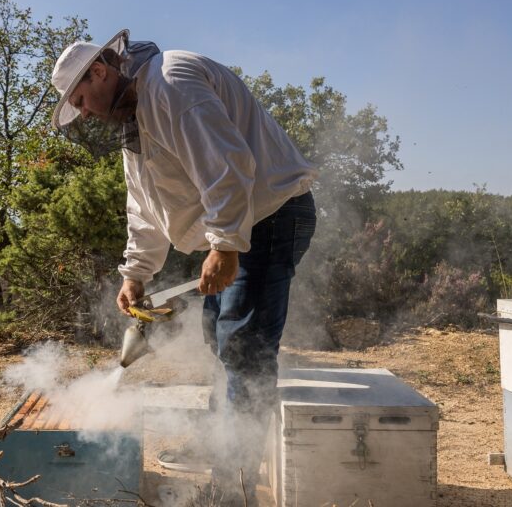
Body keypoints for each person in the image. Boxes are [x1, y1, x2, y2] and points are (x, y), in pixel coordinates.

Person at [50, 30, 316, 505]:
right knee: (220, 340)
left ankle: (233, 491)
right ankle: (224, 448)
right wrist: (136, 273)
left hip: (269, 216)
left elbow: (228, 165)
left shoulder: (169, 83)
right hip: (239, 225)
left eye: (82, 99)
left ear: (99, 71)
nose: (85, 112)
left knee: (244, 352)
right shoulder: (136, 120)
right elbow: (145, 207)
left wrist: (228, 244)